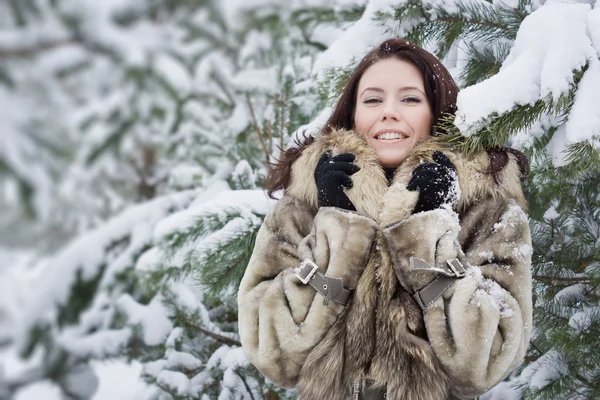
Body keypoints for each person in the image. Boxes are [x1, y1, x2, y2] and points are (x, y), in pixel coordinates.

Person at [237, 38, 532, 400]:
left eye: (410, 99)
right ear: (353, 115)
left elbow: (485, 362)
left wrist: (430, 228)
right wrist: (337, 228)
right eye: (373, 99)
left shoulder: (488, 210)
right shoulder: (301, 207)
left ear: (438, 112)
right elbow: (275, 354)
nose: (389, 112)